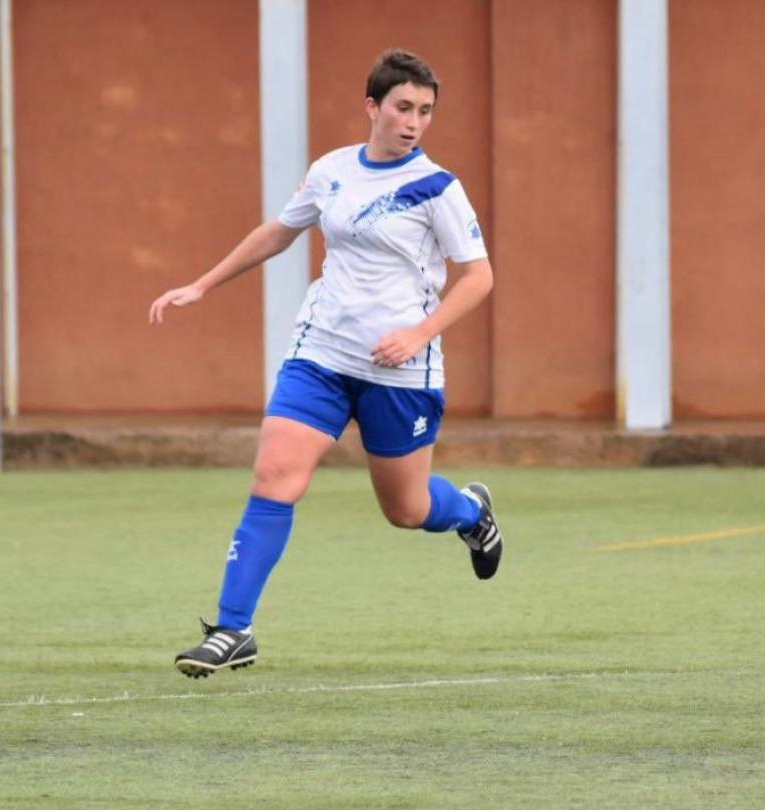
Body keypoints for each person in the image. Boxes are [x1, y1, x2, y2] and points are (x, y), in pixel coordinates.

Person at [149, 48, 502, 679]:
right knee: (275, 474)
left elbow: (478, 277)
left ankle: (472, 513)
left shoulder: (438, 188)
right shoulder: (333, 170)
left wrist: (417, 333)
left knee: (407, 510)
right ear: (373, 107)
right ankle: (234, 628)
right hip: (321, 353)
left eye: (425, 111)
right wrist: (202, 285)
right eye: (402, 107)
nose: (414, 121)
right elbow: (278, 232)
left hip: (401, 372)